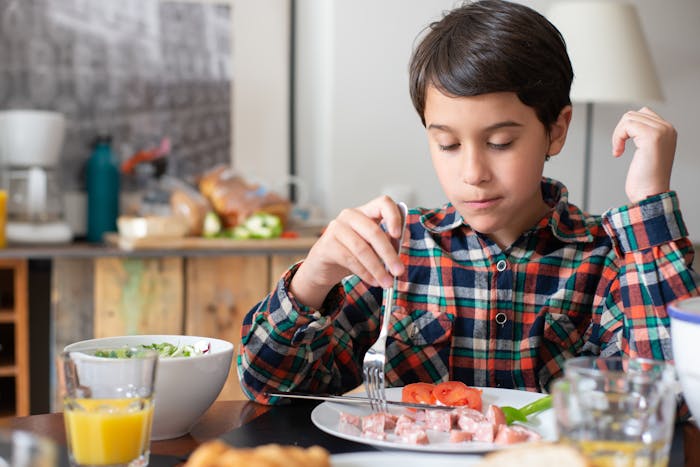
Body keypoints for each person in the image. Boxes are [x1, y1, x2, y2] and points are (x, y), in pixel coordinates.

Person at [237, 0, 699, 403]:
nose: (472, 173)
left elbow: (674, 395)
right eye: (448, 144)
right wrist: (313, 280)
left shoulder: (615, 255)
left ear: (555, 131)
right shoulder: (398, 248)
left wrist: (648, 206)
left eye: (499, 142)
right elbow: (269, 385)